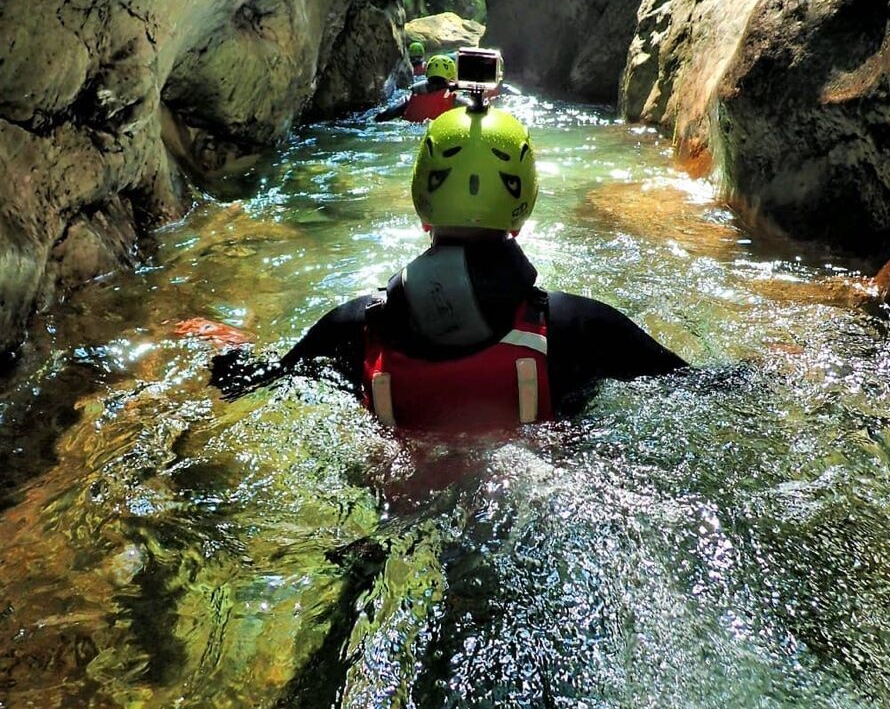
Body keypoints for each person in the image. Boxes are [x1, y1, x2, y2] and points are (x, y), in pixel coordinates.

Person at [211, 104, 687, 428]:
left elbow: (248, 383)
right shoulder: (578, 327)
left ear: (422, 203)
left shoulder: (354, 328)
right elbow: (699, 387)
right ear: (523, 211)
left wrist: (223, 343)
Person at [375, 54, 460, 123]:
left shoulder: (409, 99)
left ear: (427, 73)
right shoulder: (454, 100)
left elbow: (381, 116)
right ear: (451, 75)